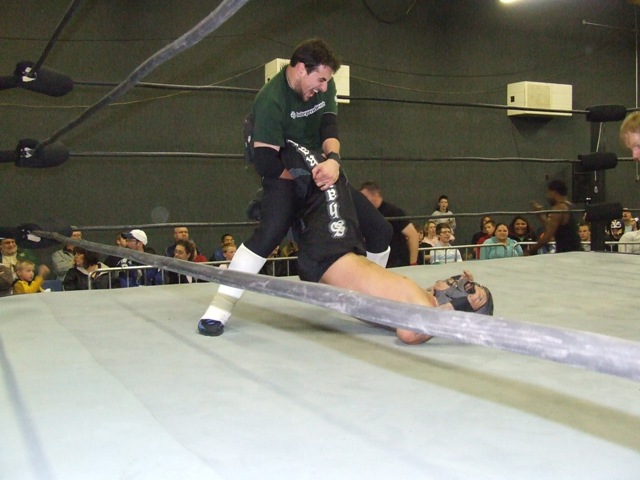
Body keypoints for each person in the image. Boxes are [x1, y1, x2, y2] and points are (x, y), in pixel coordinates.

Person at [198, 38, 392, 336]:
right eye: (320, 80)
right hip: (282, 172)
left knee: (380, 231)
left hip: (319, 168)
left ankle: (369, 301)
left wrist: (333, 162)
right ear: (301, 69)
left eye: (327, 81)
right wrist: (304, 182)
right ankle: (218, 309)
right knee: (269, 234)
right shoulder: (271, 99)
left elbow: (329, 128)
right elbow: (265, 160)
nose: (324, 87)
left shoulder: (325, 87)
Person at [266, 140, 491, 344]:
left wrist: (461, 306)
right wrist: (458, 295)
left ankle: (270, 138)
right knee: (319, 193)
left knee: (327, 174)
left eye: (468, 289)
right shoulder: (422, 300)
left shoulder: (424, 309)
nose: (459, 281)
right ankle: (277, 201)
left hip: (332, 253)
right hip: (332, 258)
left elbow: (409, 334)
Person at [359, 181, 420, 267]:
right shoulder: (367, 214)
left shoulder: (393, 211)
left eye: (365, 197)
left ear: (375, 195)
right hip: (379, 263)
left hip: (398, 263)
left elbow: (413, 235)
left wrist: (413, 263)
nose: (363, 201)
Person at [528, 180, 582, 255]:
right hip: (575, 251)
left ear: (554, 192)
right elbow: (553, 227)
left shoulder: (559, 208)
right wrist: (540, 215)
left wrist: (531, 250)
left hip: (566, 253)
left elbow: (548, 236)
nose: (547, 196)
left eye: (548, 193)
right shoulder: (570, 206)